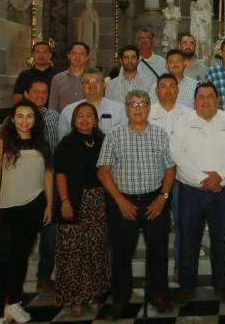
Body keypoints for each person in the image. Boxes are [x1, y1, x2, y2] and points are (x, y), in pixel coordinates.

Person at [97, 90, 176, 318]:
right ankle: (121, 298)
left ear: (149, 108)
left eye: (143, 104)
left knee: (158, 251)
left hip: (155, 201)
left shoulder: (160, 134)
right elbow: (103, 171)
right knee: (121, 253)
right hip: (123, 201)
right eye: (133, 104)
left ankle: (158, 294)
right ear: (126, 108)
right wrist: (120, 201)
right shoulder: (114, 135)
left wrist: (162, 199)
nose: (138, 108)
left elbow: (170, 169)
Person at [0, 99, 53, 324]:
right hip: (6, 211)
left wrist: (49, 204)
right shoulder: (2, 143)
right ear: (12, 119)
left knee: (21, 260)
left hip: (33, 209)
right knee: (4, 263)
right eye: (20, 116)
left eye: (29, 116)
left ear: (35, 120)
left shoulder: (41, 143)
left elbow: (48, 175)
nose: (24, 121)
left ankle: (13, 304)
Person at [170, 83, 225, 305]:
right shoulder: (183, 122)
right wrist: (203, 178)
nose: (206, 101)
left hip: (222, 191)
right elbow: (178, 154)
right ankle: (187, 287)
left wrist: (218, 175)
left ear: (218, 99)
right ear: (194, 100)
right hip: (191, 191)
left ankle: (222, 285)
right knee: (189, 240)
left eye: (211, 96)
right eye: (201, 97)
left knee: (221, 240)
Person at [53, 102, 109, 316]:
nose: (85, 120)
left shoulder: (104, 141)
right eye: (80, 116)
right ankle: (75, 297)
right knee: (73, 251)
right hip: (73, 201)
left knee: (95, 249)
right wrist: (65, 201)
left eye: (89, 116)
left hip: (98, 201)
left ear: (96, 120)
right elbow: (60, 174)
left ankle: (94, 293)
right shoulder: (66, 144)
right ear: (74, 120)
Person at [147, 73, 192, 280]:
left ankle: (180, 266)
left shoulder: (188, 114)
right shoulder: (147, 113)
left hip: (182, 177)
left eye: (171, 86)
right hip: (155, 179)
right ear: (156, 90)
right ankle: (157, 271)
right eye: (163, 86)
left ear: (178, 90)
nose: (167, 90)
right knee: (157, 227)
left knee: (183, 224)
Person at [21, 78, 59, 294]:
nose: (40, 95)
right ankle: (13, 284)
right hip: (23, 185)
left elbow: (59, 147)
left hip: (49, 184)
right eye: (36, 92)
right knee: (23, 236)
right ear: (27, 93)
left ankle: (44, 276)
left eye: (44, 92)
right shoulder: (14, 119)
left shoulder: (54, 117)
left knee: (50, 235)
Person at [57, 69, 126, 141]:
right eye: (87, 81)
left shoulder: (120, 110)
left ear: (104, 85)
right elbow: (62, 142)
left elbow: (124, 139)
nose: (92, 84)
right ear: (81, 86)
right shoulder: (68, 111)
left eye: (96, 81)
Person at [50, 42, 90, 112]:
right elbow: (53, 106)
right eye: (74, 53)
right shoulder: (58, 78)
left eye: (81, 54)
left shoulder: (93, 78)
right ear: (69, 56)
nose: (77, 57)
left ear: (87, 57)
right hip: (63, 121)